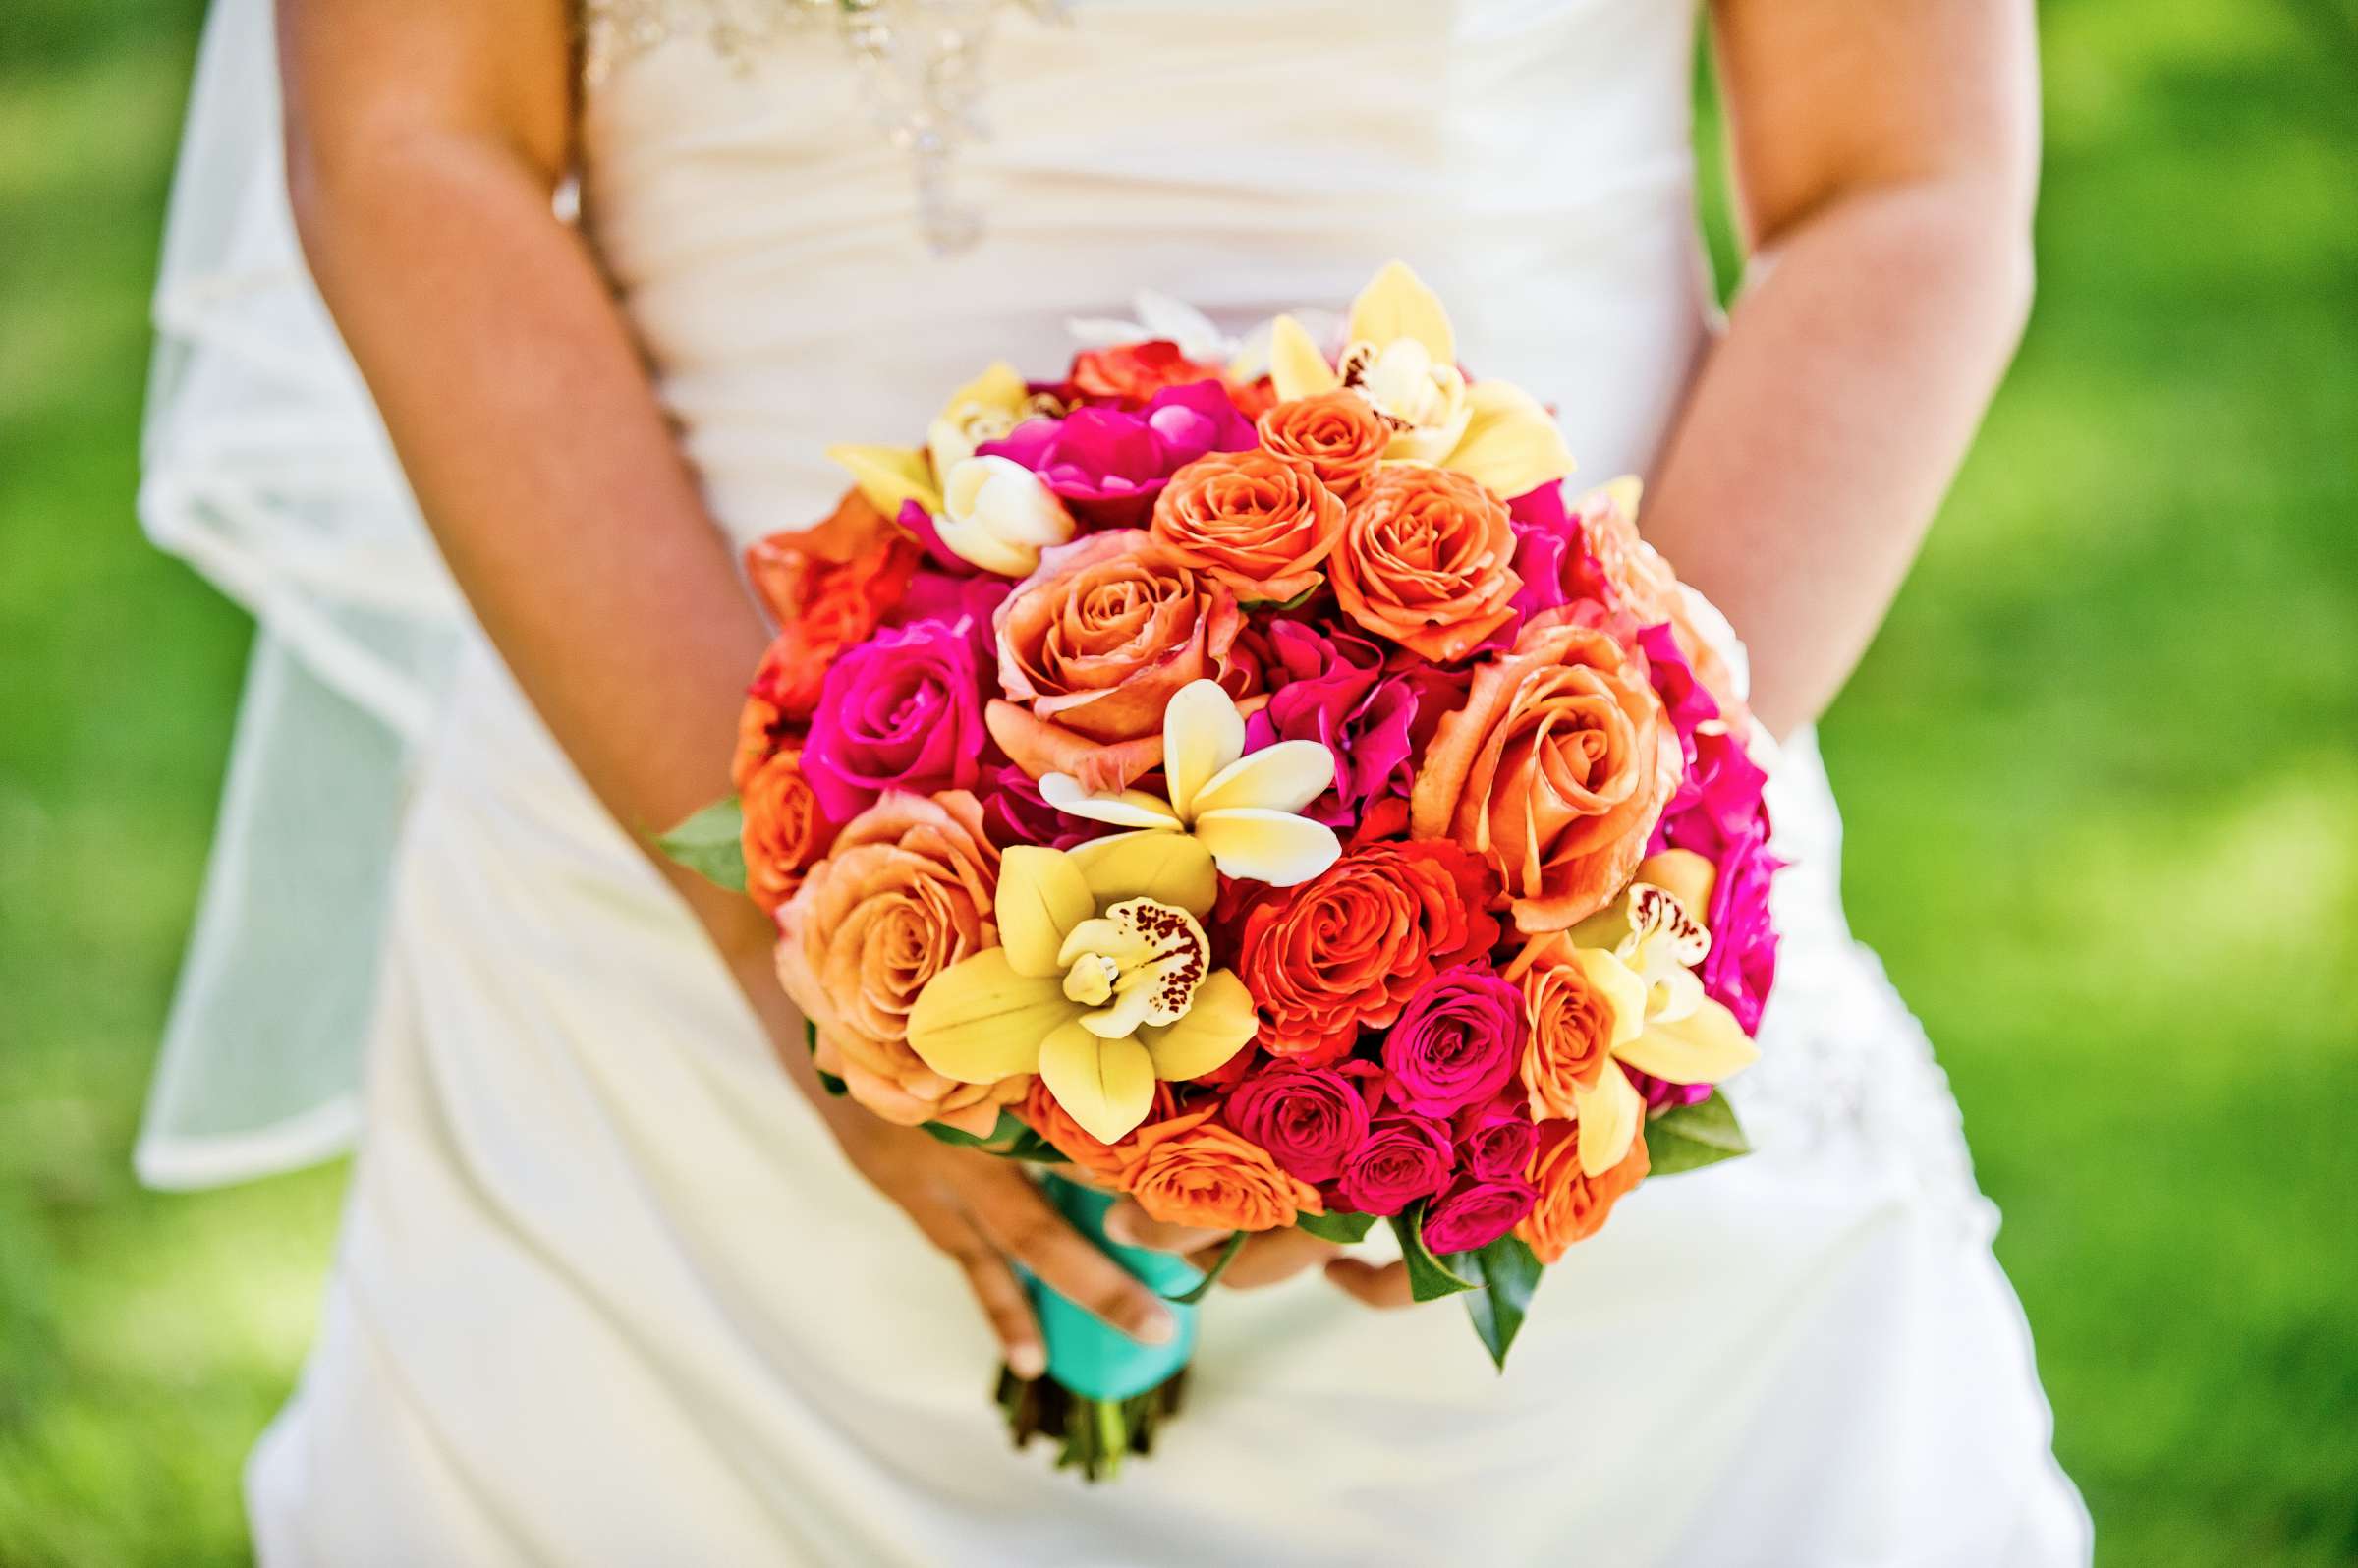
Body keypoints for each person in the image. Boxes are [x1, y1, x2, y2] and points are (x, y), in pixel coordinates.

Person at [140, 0, 2091, 1560]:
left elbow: (1901, 178)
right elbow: (414, 138)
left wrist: (1564, 887)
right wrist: (795, 927)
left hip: (1565, 833)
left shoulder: (1573, 864)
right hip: (665, 842)